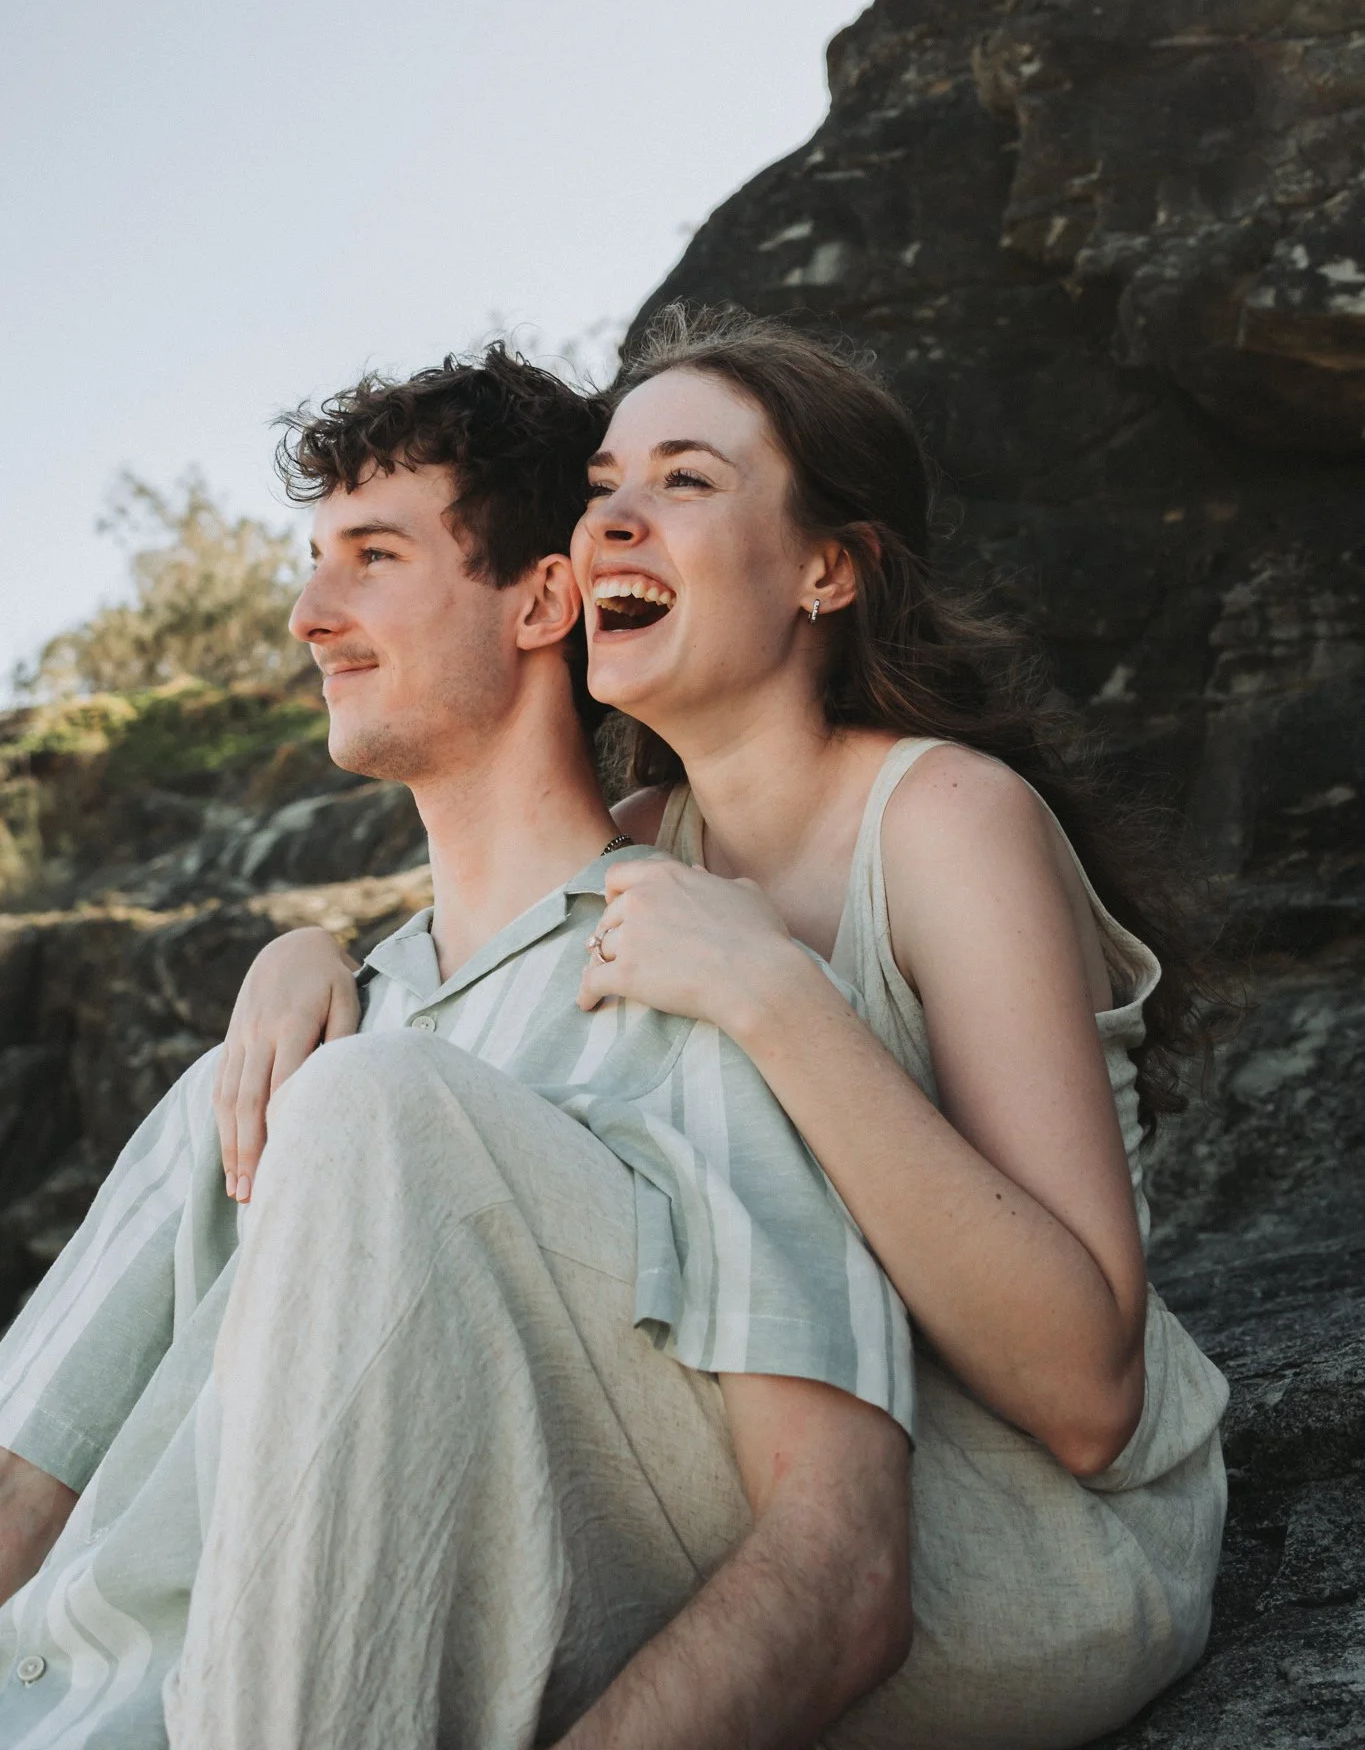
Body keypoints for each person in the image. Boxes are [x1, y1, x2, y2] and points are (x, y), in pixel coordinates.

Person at [244, 305, 1230, 1748]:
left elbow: (1087, 1391)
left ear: (829, 568)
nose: (611, 522)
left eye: (685, 481)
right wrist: (311, 959)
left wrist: (777, 998)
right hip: (777, 1472)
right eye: (601, 489)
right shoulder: (644, 839)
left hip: (1016, 1537)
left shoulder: (945, 818)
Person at [0, 348, 916, 1750]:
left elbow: (840, 1565)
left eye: (374, 557)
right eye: (315, 563)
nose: (311, 615)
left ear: (543, 601)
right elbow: (23, 1479)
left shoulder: (693, 984)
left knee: (369, 1103)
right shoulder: (288, 1044)